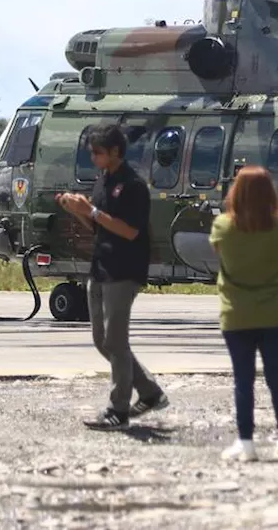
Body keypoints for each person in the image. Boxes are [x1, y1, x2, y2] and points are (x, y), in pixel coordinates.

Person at [57, 124, 168, 431]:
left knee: (116, 342)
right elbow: (100, 226)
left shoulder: (133, 186)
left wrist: (90, 210)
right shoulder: (103, 181)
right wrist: (76, 209)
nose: (93, 158)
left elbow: (129, 230)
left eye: (98, 152)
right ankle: (150, 392)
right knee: (101, 341)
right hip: (101, 266)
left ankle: (117, 409)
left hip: (124, 269)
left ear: (115, 152)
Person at [209, 166, 278, 462]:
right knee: (277, 377)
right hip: (274, 313)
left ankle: (246, 443)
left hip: (237, 313)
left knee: (243, 380)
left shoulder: (222, 226)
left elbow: (220, 255)